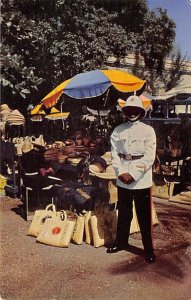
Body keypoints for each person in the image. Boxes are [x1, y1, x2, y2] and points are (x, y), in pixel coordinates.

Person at [106, 95, 157, 263]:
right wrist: (120, 172)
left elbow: (149, 157)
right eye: (129, 110)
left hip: (141, 179)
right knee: (125, 213)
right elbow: (114, 154)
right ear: (124, 111)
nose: (132, 113)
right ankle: (121, 242)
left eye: (136, 110)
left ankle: (148, 250)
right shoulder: (118, 130)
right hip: (122, 178)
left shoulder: (148, 131)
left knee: (144, 217)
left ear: (141, 112)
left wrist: (133, 174)